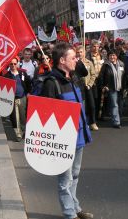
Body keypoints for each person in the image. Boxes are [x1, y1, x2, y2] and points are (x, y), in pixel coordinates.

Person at [41, 42, 93, 219]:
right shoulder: (51, 83)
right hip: (63, 141)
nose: (76, 60)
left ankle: (76, 208)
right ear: (62, 60)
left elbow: (83, 71)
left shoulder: (74, 77)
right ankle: (70, 214)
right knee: (65, 181)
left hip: (79, 137)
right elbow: (46, 117)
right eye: (73, 58)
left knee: (75, 175)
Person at [1, 57, 31, 142]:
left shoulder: (23, 73)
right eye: (11, 64)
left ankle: (24, 130)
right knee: (15, 117)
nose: (13, 65)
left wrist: (28, 92)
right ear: (9, 65)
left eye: (15, 63)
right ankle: (18, 134)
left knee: (23, 116)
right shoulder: (6, 75)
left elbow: (28, 83)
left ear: (17, 64)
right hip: (12, 100)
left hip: (22, 98)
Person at [99, 50, 127, 129]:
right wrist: (104, 86)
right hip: (111, 87)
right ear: (108, 56)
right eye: (110, 55)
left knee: (120, 105)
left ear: (116, 56)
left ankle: (118, 119)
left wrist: (126, 86)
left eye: (113, 55)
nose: (112, 57)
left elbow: (124, 76)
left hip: (120, 87)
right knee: (114, 104)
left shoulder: (121, 64)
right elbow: (101, 76)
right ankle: (116, 122)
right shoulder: (106, 65)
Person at [76, 45, 98, 131]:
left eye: (81, 52)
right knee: (82, 106)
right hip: (79, 87)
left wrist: (90, 84)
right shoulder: (75, 62)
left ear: (84, 53)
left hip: (88, 86)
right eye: (78, 52)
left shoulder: (89, 62)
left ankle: (93, 122)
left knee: (92, 105)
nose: (79, 54)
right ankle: (84, 123)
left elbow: (93, 74)